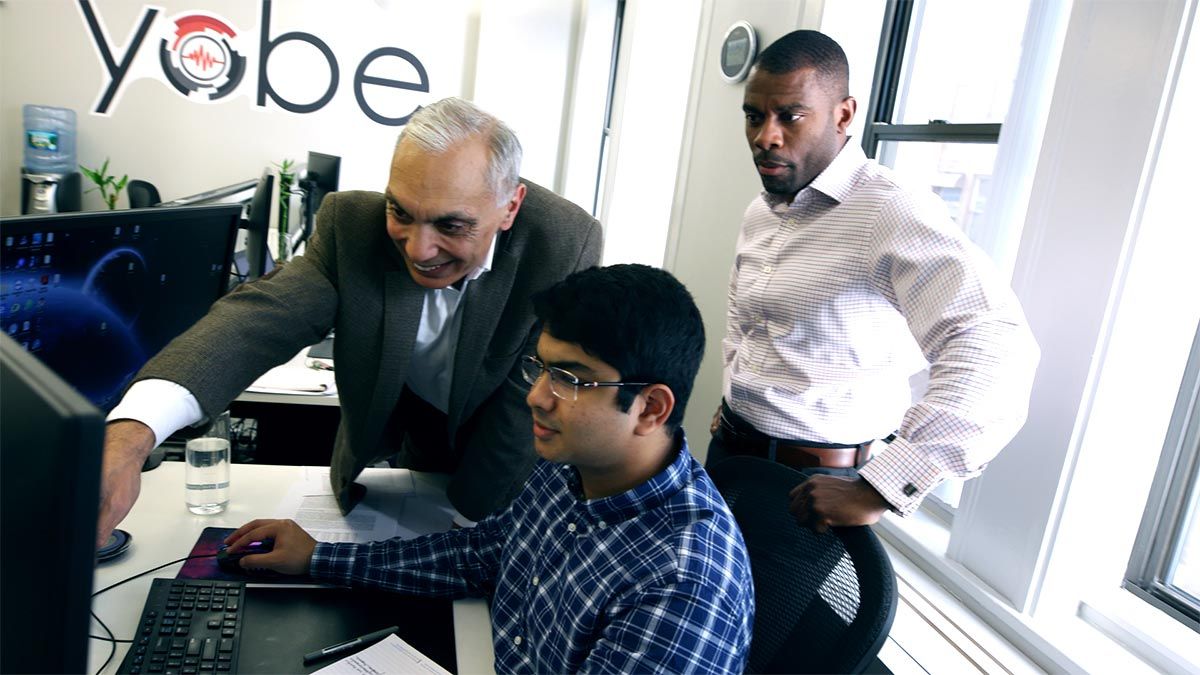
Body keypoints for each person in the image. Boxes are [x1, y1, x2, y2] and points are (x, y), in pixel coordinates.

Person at [97, 97, 603, 546]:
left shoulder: (563, 243)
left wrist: (468, 535)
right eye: (400, 213)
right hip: (400, 456)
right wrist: (132, 433)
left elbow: (524, 403)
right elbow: (256, 321)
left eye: (451, 226)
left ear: (509, 207)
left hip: (506, 468)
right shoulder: (351, 226)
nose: (418, 250)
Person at [224, 264, 755, 674]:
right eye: (541, 368)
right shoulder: (574, 466)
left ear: (651, 408)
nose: (537, 397)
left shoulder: (683, 583)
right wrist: (320, 558)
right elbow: (487, 552)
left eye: (570, 379)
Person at [710, 29, 1040, 531]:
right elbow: (749, 325)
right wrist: (736, 396)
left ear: (843, 115)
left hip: (812, 485)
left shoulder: (888, 210)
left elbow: (994, 343)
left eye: (790, 116)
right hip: (730, 455)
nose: (765, 136)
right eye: (754, 116)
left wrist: (882, 486)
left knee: (763, 613)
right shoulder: (762, 210)